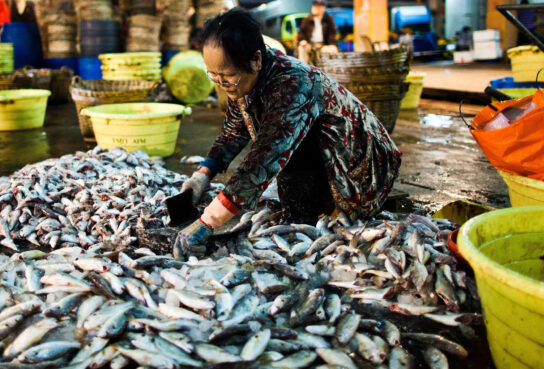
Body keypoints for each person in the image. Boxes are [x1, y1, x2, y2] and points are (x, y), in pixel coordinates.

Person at [172, 9, 401, 260]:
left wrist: (208, 221)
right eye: (213, 75)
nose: (220, 83)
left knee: (286, 149)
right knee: (279, 152)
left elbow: (264, 158)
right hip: (325, 155)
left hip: (364, 168)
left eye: (227, 76)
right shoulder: (247, 81)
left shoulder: (292, 84)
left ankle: (305, 217)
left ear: (256, 60)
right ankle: (310, 202)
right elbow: (233, 129)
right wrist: (202, 175)